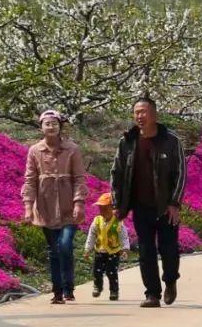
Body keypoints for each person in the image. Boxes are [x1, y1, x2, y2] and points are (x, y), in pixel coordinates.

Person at [110, 96, 187, 308]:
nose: (139, 116)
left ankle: (170, 281)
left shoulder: (171, 141)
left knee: (169, 249)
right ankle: (152, 293)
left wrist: (174, 203)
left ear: (154, 114)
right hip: (140, 206)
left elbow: (181, 173)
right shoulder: (127, 142)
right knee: (146, 250)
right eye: (136, 112)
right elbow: (116, 173)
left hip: (165, 206)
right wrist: (117, 203)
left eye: (143, 112)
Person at [22, 109, 87, 305]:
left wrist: (79, 203)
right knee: (54, 249)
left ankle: (69, 286)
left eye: (54, 123)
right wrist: (28, 206)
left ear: (60, 126)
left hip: (69, 207)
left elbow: (79, 178)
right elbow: (30, 179)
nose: (51, 127)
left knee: (65, 246)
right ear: (41, 127)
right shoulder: (35, 151)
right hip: (46, 207)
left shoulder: (72, 149)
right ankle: (58, 291)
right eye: (47, 123)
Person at [83, 193, 130, 300]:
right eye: (101, 208)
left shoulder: (118, 222)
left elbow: (124, 236)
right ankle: (97, 286)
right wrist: (87, 249)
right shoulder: (97, 221)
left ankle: (114, 291)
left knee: (111, 272)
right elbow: (92, 235)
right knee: (97, 270)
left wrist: (125, 249)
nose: (102, 211)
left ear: (113, 208)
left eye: (105, 208)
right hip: (99, 251)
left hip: (113, 252)